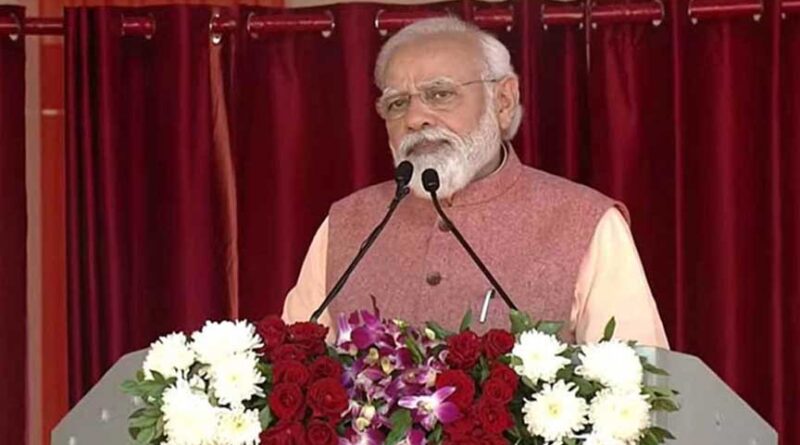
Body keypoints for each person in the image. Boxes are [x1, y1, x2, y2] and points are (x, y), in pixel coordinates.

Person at [282, 16, 669, 348]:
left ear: (503, 101)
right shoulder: (347, 224)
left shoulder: (585, 222)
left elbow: (640, 391)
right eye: (397, 104)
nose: (415, 119)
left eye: (440, 94)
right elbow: (289, 370)